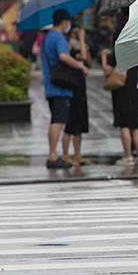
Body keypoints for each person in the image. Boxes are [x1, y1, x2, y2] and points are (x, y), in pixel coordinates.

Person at [41, 9, 88, 169]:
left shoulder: (47, 37)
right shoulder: (58, 37)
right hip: (60, 87)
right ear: (64, 22)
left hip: (50, 85)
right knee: (59, 121)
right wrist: (80, 66)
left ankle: (52, 153)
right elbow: (63, 56)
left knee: (55, 120)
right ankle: (53, 156)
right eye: (68, 22)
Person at [101, 13, 138, 166]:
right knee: (135, 126)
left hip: (121, 93)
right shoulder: (133, 52)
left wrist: (103, 57)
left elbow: (107, 71)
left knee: (124, 125)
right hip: (134, 92)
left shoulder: (116, 53)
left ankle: (128, 156)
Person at [62, 25, 91, 167]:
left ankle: (78, 155)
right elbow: (82, 58)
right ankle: (66, 155)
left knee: (79, 124)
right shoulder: (68, 44)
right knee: (70, 124)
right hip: (71, 86)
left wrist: (83, 43)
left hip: (81, 87)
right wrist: (80, 39)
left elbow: (87, 61)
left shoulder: (82, 45)